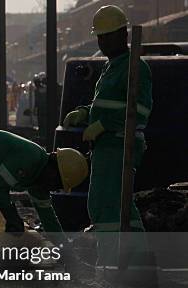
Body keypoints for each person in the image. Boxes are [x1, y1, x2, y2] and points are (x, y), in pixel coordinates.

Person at [63, 5, 153, 233]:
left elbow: (140, 111)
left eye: (107, 36)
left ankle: (124, 257)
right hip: (106, 147)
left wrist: (103, 125)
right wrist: (85, 113)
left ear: (123, 34)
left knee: (111, 205)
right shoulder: (110, 67)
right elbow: (105, 104)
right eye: (100, 37)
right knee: (104, 205)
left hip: (121, 144)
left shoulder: (135, 67)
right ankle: (121, 257)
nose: (102, 42)